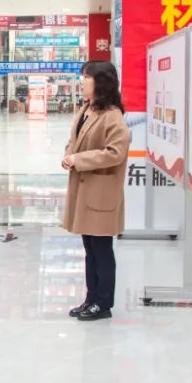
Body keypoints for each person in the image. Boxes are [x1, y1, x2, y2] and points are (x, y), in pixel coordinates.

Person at [61, 60, 130, 322]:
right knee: (90, 249)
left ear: (100, 82)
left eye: (86, 78)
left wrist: (79, 159)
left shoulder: (112, 116)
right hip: (85, 188)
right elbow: (75, 140)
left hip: (100, 192)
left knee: (101, 250)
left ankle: (103, 303)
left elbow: (115, 153)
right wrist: (68, 155)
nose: (81, 83)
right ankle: (91, 298)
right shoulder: (87, 109)